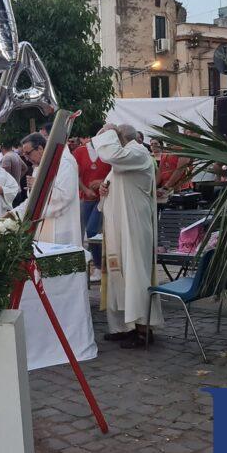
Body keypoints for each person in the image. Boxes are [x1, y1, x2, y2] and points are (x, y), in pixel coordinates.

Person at [92, 124, 163, 348]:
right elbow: (112, 187)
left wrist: (108, 132)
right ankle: (123, 326)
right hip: (117, 227)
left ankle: (143, 330)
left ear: (119, 139)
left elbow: (111, 154)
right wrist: (104, 190)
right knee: (118, 275)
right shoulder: (121, 161)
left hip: (133, 226)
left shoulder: (138, 152)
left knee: (135, 275)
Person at [18, 134, 82, 246]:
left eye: (28, 153)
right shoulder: (40, 166)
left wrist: (38, 185)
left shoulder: (64, 163)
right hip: (43, 226)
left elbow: (65, 197)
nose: (26, 158)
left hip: (61, 227)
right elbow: (33, 198)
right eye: (24, 154)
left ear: (40, 149)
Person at [74, 137, 112, 283]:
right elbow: (75, 175)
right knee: (88, 234)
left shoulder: (108, 151)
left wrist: (102, 183)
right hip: (86, 198)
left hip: (104, 198)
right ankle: (99, 264)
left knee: (92, 230)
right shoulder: (79, 152)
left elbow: (114, 173)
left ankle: (98, 265)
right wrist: (84, 189)